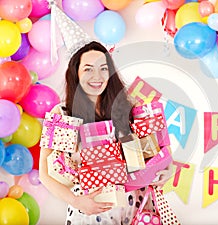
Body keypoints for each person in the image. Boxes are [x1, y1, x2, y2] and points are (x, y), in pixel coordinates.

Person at [39, 41, 173, 225]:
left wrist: (166, 170)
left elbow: (155, 153)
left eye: (103, 68)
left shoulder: (128, 108)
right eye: (88, 69)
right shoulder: (64, 114)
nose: (97, 76)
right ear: (76, 73)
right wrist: (76, 201)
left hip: (136, 210)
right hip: (90, 213)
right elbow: (44, 174)